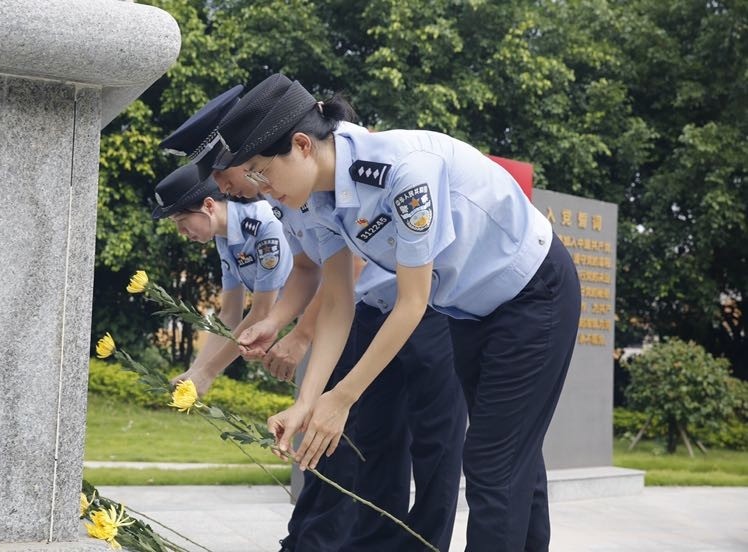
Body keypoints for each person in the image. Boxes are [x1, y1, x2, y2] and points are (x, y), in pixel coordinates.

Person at [213, 74, 582, 552]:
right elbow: (339, 305)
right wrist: (308, 402)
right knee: (515, 461)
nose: (261, 189)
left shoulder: (401, 171)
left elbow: (411, 304)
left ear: (302, 144)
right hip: (471, 312)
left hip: (533, 293)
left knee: (492, 462)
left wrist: (342, 398)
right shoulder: (320, 202)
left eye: (262, 172)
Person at [163, 84, 465, 551]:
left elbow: (352, 268)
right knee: (372, 447)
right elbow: (309, 270)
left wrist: (300, 336)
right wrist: (277, 325)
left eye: (224, 175)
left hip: (423, 310)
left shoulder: (333, 170)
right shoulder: (286, 191)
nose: (220, 187)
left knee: (434, 448)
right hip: (365, 315)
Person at [151, 162, 292, 394]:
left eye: (181, 222)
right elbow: (229, 315)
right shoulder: (224, 238)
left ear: (208, 205)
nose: (182, 233)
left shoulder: (264, 226)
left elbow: (261, 313)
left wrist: (209, 372)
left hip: (332, 316)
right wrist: (194, 371)